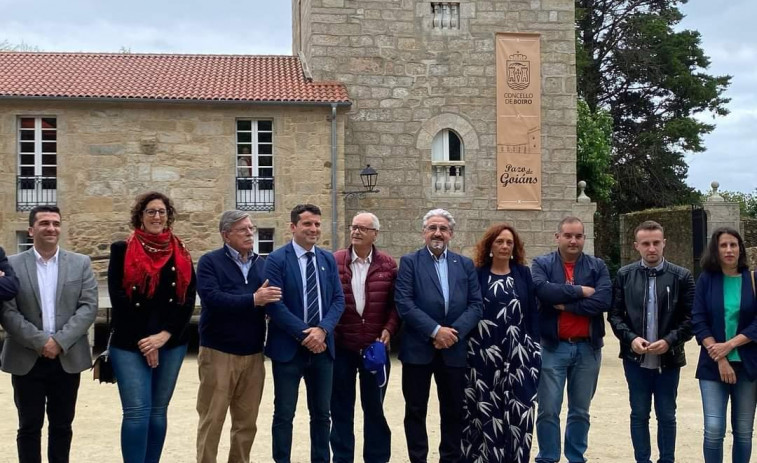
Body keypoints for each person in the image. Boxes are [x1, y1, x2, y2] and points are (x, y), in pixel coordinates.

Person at [0, 205, 98, 463]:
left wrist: (59, 341)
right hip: (26, 357)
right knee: (29, 427)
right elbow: (7, 311)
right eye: (44, 223)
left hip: (66, 358)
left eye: (55, 223)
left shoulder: (80, 263)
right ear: (31, 230)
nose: (51, 228)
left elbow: (88, 307)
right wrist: (41, 342)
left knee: (62, 426)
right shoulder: (11, 265)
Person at [107, 191, 197, 463]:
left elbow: (187, 299)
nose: (157, 216)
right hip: (131, 342)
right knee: (136, 412)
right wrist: (147, 341)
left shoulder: (180, 251)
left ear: (168, 216)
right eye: (151, 212)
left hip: (171, 341)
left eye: (161, 211)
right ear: (140, 216)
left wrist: (163, 336)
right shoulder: (122, 249)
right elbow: (119, 299)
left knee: (158, 411)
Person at [394, 208, 483, 463]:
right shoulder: (410, 262)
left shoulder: (464, 264)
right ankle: (418, 459)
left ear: (451, 234)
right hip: (418, 349)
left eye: (443, 229)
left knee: (454, 410)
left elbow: (476, 304)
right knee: (415, 410)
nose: (437, 233)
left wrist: (452, 334)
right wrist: (435, 331)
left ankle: (450, 458)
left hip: (454, 349)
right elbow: (404, 303)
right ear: (424, 232)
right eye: (432, 228)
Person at [195, 210, 282, 463]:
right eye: (243, 229)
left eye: (251, 228)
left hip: (254, 353)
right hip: (218, 352)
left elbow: (272, 301)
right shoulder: (210, 262)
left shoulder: (262, 264)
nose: (250, 233)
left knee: (246, 423)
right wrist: (254, 299)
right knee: (212, 419)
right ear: (226, 234)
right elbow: (213, 299)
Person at [263, 204, 345, 463]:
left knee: (322, 414)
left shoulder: (327, 259)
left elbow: (338, 300)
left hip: (323, 350)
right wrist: (306, 335)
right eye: (308, 224)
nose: (314, 229)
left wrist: (322, 331)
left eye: (317, 224)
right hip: (288, 350)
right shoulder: (276, 259)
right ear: (293, 227)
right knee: (284, 414)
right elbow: (274, 304)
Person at [609, 220, 694, 463]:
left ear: (664, 243)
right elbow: (615, 316)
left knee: (667, 415)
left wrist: (669, 341)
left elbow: (691, 319)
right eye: (646, 243)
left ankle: (667, 460)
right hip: (635, 360)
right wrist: (631, 338)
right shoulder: (624, 276)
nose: (652, 248)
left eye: (656, 243)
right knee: (639, 414)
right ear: (637, 246)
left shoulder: (682, 276)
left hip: (668, 359)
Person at [531, 216, 611, 463]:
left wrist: (565, 305)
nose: (573, 240)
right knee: (548, 410)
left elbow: (604, 301)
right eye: (568, 235)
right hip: (552, 347)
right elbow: (542, 291)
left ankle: (576, 457)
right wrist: (580, 292)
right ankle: (548, 457)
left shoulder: (597, 266)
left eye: (578, 236)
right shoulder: (541, 263)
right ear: (558, 237)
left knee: (580, 411)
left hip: (587, 348)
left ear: (584, 238)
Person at [461, 223, 540, 463]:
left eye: (509, 242)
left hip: (519, 357)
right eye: (499, 242)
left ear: (515, 248)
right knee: (482, 413)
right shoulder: (476, 274)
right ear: (490, 246)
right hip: (482, 357)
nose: (504, 246)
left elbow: (532, 314)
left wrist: (534, 349)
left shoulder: (523, 274)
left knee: (520, 414)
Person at [330, 211, 399, 463]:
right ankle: (342, 458)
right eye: (353, 227)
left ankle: (377, 458)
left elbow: (396, 304)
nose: (355, 231)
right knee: (340, 409)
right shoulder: (335, 261)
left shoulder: (388, 265)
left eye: (362, 228)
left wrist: (389, 329)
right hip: (342, 348)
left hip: (375, 349)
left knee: (375, 409)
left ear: (375, 234)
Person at [692, 227, 757, 463]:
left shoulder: (753, 280)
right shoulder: (706, 280)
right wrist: (720, 356)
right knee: (713, 429)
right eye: (723, 245)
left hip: (748, 366)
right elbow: (698, 320)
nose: (729, 250)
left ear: (740, 248)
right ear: (715, 251)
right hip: (713, 365)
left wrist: (729, 345)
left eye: (733, 245)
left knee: (743, 432)